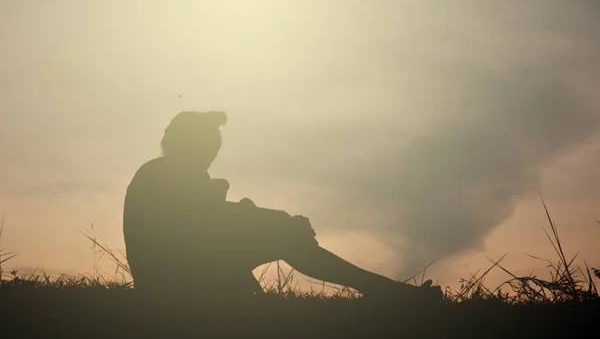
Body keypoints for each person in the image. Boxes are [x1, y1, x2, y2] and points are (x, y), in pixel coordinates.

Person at [123, 111, 442, 302]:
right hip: (176, 290)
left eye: (212, 150)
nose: (211, 157)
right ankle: (390, 295)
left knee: (286, 234)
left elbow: (222, 223)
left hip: (181, 281)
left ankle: (388, 293)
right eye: (207, 149)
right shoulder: (162, 177)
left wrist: (279, 222)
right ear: (186, 144)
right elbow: (210, 228)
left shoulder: (168, 175)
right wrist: (283, 224)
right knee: (287, 236)